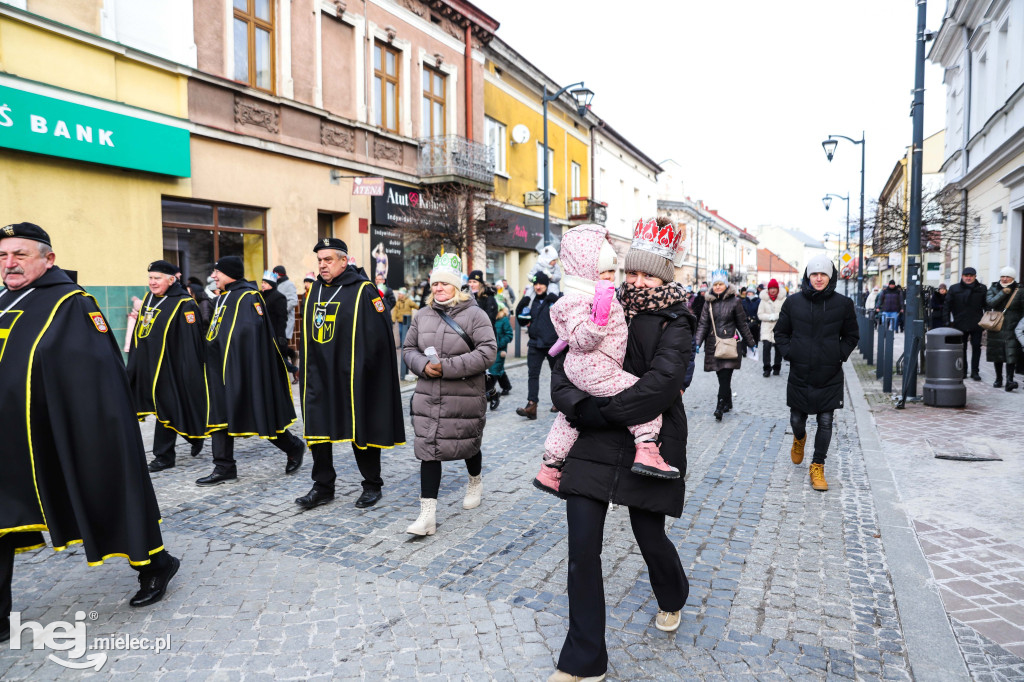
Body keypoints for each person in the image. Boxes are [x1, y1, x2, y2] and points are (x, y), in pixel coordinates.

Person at [1, 223, 180, 643]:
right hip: (9, 434)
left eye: (20, 255)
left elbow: (97, 374)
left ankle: (155, 564)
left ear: (49, 259)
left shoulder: (72, 304)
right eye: (4, 256)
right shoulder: (4, 300)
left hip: (59, 430)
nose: (9, 264)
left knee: (104, 493)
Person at [545, 217, 695, 682]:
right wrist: (581, 408)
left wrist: (602, 410)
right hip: (591, 440)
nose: (635, 281)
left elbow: (662, 385)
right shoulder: (594, 301)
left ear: (665, 276)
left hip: (648, 442)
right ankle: (584, 661)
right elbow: (563, 368)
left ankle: (672, 594)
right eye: (631, 272)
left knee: (650, 538)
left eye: (647, 274)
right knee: (581, 546)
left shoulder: (677, 321)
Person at [535, 223, 678, 499]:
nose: (612, 277)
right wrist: (599, 318)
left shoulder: (599, 296)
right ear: (587, 271)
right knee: (639, 394)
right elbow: (582, 339)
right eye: (604, 272)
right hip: (593, 366)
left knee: (568, 420)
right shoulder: (579, 299)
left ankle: (550, 467)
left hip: (593, 366)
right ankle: (647, 447)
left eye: (614, 271)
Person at [294, 238, 406, 510]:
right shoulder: (315, 291)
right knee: (318, 430)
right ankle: (322, 486)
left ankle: (372, 485)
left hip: (352, 375)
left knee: (361, 427)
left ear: (344, 261)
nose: (322, 265)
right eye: (319, 260)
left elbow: (379, 335)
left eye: (328, 259)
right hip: (320, 375)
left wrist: (367, 370)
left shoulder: (364, 290)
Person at [402, 252, 496, 535]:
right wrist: (422, 365)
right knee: (429, 450)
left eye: (444, 283)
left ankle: (475, 481)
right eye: (434, 284)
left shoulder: (475, 314)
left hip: (463, 394)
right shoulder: (422, 315)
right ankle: (427, 515)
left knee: (468, 443)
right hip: (429, 395)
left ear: (457, 286)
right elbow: (408, 350)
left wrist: (447, 367)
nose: (438, 288)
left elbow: (487, 352)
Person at [197, 256, 306, 486]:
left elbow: (250, 336)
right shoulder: (222, 298)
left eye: (218, 272)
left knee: (259, 414)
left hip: (243, 369)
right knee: (219, 416)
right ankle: (223, 466)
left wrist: (241, 366)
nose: (214, 276)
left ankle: (294, 446)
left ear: (230, 274)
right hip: (219, 368)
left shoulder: (248, 297)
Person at [774, 254, 859, 492]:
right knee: (796, 420)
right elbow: (780, 333)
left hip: (829, 373)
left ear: (830, 277)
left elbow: (852, 335)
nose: (818, 279)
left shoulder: (843, 304)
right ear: (808, 276)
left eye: (823, 274)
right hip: (800, 372)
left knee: (825, 421)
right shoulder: (793, 303)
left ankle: (818, 465)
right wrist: (791, 353)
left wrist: (838, 354)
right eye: (814, 274)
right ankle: (799, 438)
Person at [127, 260, 208, 472]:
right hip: (149, 365)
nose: (152, 283)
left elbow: (191, 341)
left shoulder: (185, 304)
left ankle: (164, 456)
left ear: (171, 280)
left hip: (172, 368)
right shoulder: (149, 299)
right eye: (150, 278)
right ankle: (191, 436)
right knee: (163, 408)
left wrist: (188, 370)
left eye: (157, 278)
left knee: (169, 408)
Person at [694, 270, 756, 422]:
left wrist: (751, 343)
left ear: (726, 285)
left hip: (729, 343)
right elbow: (703, 323)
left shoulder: (735, 302)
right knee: (720, 375)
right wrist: (697, 342)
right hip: (713, 344)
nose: (718, 287)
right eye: (715, 284)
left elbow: (742, 324)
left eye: (720, 284)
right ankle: (728, 401)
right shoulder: (708, 302)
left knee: (724, 375)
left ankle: (720, 406)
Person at [515, 271, 561, 418]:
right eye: (535, 284)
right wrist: (523, 302)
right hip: (535, 343)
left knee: (557, 374)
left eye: (541, 284)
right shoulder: (531, 301)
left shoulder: (553, 299)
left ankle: (558, 402)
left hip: (552, 344)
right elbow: (522, 319)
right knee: (533, 375)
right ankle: (531, 405)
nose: (538, 287)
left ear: (547, 285)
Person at [944, 267, 987, 381]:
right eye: (966, 275)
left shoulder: (982, 288)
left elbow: (986, 306)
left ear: (975, 277)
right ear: (962, 276)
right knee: (961, 348)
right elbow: (947, 306)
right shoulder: (954, 288)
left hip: (977, 323)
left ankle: (975, 371)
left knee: (977, 347)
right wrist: (947, 322)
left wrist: (987, 322)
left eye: (971, 276)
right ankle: (963, 371)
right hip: (959, 323)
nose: (968, 278)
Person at [985, 266, 1024, 391]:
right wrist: (1003, 293)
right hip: (997, 325)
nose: (1005, 279)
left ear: (1013, 278)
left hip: (1013, 325)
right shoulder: (994, 287)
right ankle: (998, 378)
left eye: (1008, 276)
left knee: (1011, 354)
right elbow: (990, 303)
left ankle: (1009, 380)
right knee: (998, 353)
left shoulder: (1020, 290)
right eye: (1003, 276)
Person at [261, 270, 300, 379]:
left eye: (265, 282)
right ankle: (292, 359)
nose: (262, 284)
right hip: (265, 333)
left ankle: (295, 370)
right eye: (262, 282)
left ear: (271, 285)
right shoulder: (262, 296)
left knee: (278, 357)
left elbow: (282, 319)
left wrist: (280, 337)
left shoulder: (278, 297)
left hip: (275, 334)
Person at [487, 299, 514, 409]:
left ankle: (490, 392)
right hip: (490, 349)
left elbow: (509, 335)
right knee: (498, 370)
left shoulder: (503, 320)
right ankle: (506, 386)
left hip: (500, 350)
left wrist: (500, 344)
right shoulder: (491, 319)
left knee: (494, 370)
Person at [758, 278, 787, 377]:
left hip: (779, 327)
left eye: (775, 288)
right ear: (768, 289)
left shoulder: (783, 299)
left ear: (778, 289)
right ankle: (766, 368)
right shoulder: (763, 300)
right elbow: (760, 314)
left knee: (779, 349)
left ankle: (777, 367)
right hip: (766, 327)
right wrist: (769, 317)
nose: (773, 290)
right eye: (771, 288)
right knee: (766, 347)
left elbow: (786, 313)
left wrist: (777, 315)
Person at [273, 265, 299, 340]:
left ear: (279, 274)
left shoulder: (289, 285)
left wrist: (281, 310)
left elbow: (293, 301)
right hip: (276, 322)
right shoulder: (275, 284)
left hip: (285, 322)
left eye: (275, 274)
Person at [740, 286, 761, 358]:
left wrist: (756, 318)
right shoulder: (744, 301)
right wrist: (746, 318)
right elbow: (742, 311)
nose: (749, 293)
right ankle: (743, 351)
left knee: (755, 337)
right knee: (745, 336)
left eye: (750, 292)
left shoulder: (758, 301)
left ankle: (754, 351)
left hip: (755, 322)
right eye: (748, 292)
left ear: (754, 293)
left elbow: (759, 311)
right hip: (747, 321)